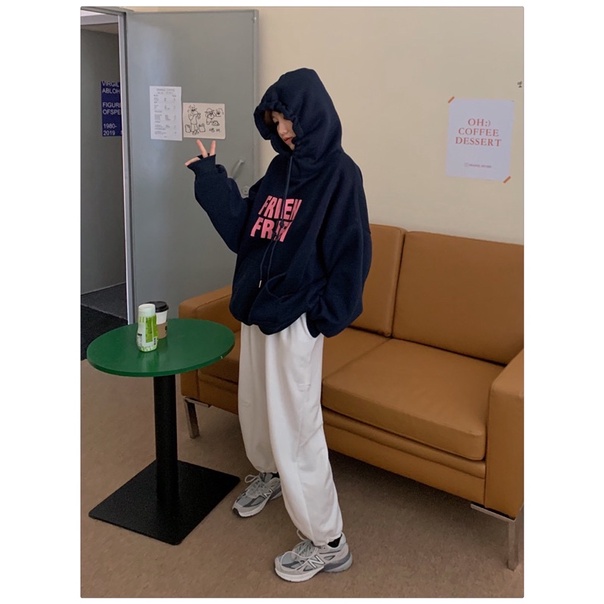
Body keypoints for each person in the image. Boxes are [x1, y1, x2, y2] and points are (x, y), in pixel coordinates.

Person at [185, 67, 372, 583]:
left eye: (288, 118)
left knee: (297, 426)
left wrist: (321, 319)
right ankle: (270, 473)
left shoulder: (340, 174)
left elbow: (353, 253)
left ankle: (328, 540)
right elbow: (246, 233)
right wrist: (211, 179)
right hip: (258, 308)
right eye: (275, 121)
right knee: (256, 406)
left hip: (297, 318)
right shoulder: (277, 170)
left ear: (312, 114)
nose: (283, 130)